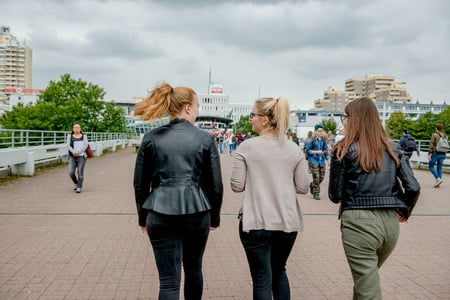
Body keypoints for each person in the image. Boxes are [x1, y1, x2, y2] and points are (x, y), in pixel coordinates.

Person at [133, 83, 223, 300]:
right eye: (198, 106)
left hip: (159, 210)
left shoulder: (151, 138)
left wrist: (143, 217)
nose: (198, 111)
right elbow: (215, 184)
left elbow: (140, 183)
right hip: (197, 210)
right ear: (188, 108)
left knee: (168, 281)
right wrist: (214, 217)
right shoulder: (205, 138)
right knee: (193, 269)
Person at [329, 97, 420, 300]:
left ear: (353, 120)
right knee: (366, 280)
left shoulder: (343, 149)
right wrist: (404, 210)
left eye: (345, 117)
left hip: (358, 224)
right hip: (390, 224)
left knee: (367, 286)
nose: (343, 121)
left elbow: (335, 195)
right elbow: (413, 186)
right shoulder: (393, 148)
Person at [231, 97, 310, 300]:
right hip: (286, 222)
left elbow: (236, 186)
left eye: (253, 115)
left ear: (265, 119)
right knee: (279, 271)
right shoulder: (294, 149)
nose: (251, 120)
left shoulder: (246, 147)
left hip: (255, 222)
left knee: (261, 278)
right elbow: (303, 187)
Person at [305, 124, 329, 200]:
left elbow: (325, 150)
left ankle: (312, 185)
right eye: (319, 131)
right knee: (316, 178)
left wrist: (328, 160)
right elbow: (307, 150)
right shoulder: (312, 140)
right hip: (313, 161)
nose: (321, 132)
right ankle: (316, 194)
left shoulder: (323, 141)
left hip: (321, 161)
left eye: (322, 131)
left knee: (321, 178)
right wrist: (316, 152)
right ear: (315, 132)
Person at [67, 123, 88, 193]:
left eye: (78, 127)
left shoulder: (84, 136)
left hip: (81, 156)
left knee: (80, 172)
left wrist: (78, 152)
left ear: (80, 129)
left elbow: (86, 145)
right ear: (73, 129)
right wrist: (73, 152)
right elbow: (68, 145)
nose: (76, 129)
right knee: (71, 172)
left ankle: (79, 187)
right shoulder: (69, 136)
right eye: (75, 127)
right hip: (72, 157)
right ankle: (76, 183)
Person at [428, 123, 447, 187]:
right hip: (443, 154)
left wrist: (429, 153)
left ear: (436, 128)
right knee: (439, 168)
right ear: (442, 129)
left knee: (431, 166)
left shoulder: (434, 135)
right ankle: (438, 181)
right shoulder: (445, 136)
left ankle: (438, 179)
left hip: (435, 153)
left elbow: (431, 144)